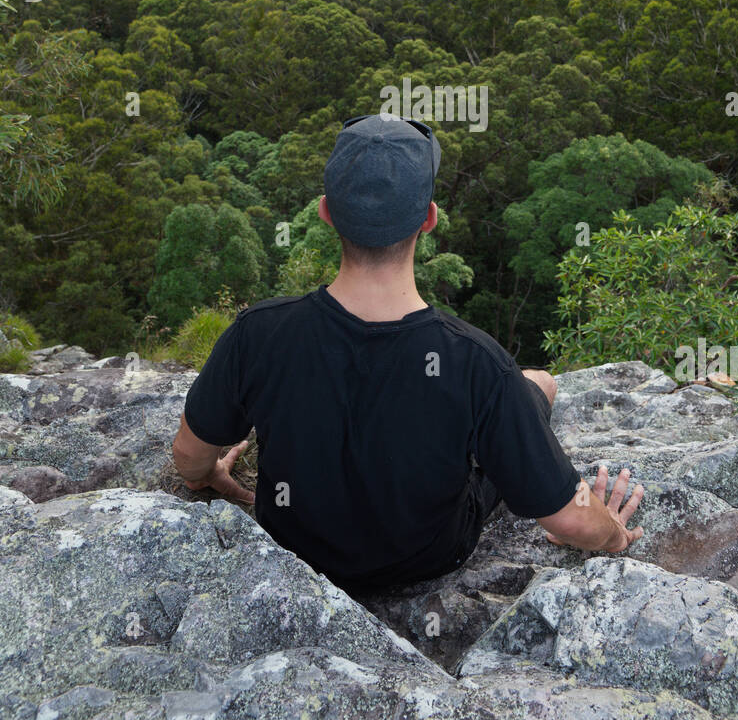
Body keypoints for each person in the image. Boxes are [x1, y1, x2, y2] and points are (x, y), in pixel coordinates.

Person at [172, 114, 644, 594]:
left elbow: (189, 456)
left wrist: (209, 476)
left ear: (326, 213)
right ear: (429, 219)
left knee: (530, 387)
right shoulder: (476, 362)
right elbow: (573, 523)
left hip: (294, 545)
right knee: (539, 384)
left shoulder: (258, 332)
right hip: (429, 558)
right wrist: (612, 532)